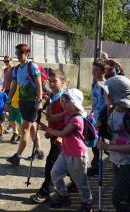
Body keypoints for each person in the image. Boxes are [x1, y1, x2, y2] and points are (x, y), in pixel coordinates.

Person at [97, 76, 130, 212]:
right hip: (117, 161)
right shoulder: (113, 111)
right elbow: (113, 133)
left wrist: (108, 147)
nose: (103, 94)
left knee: (117, 198)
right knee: (126, 195)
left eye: (106, 92)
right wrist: (101, 128)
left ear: (116, 95)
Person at [30, 69, 77, 204]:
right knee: (66, 163)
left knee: (51, 162)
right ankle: (76, 181)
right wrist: (49, 129)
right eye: (49, 81)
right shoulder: (53, 96)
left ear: (62, 82)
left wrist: (60, 136)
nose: (51, 83)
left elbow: (69, 118)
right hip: (54, 135)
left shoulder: (65, 98)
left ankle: (46, 190)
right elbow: (50, 116)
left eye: (54, 81)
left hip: (63, 137)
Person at [43, 89, 93, 211]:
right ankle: (63, 196)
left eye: (66, 102)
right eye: (62, 101)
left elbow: (63, 133)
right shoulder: (66, 114)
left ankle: (87, 203)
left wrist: (49, 131)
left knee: (81, 181)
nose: (63, 104)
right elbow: (52, 118)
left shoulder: (77, 119)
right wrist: (46, 105)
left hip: (77, 155)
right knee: (55, 173)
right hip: (66, 152)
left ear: (75, 103)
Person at [6, 43, 44, 166]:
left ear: (27, 53)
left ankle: (17, 156)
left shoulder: (32, 66)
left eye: (20, 53)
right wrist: (8, 100)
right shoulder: (16, 69)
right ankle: (39, 151)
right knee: (32, 126)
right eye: (16, 53)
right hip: (23, 102)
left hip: (33, 102)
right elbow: (13, 86)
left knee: (25, 128)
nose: (18, 55)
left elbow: (39, 84)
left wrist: (40, 99)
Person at [88, 59, 109, 176]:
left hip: (103, 119)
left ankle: (118, 159)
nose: (93, 72)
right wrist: (92, 111)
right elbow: (96, 101)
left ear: (103, 71)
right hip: (95, 118)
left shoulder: (105, 86)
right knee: (96, 143)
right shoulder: (94, 84)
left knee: (103, 144)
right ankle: (96, 165)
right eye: (93, 70)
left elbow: (107, 105)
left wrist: (101, 119)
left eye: (96, 70)